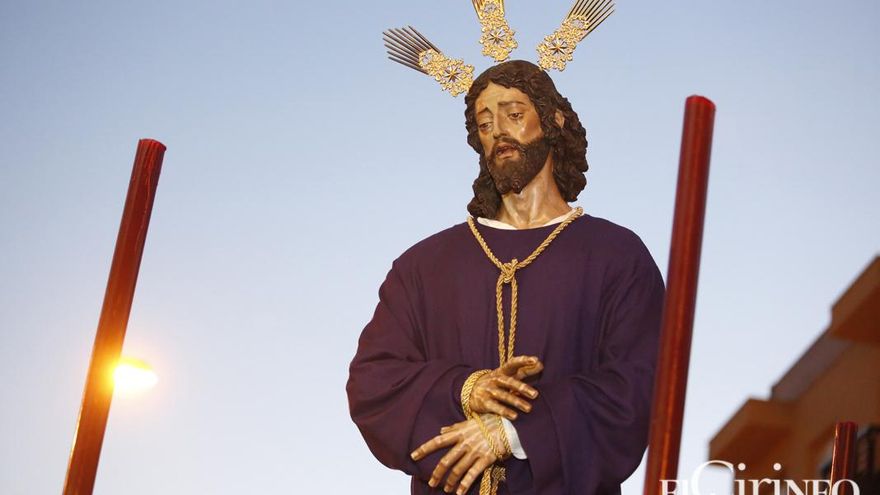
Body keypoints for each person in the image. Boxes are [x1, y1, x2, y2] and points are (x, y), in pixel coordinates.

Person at [346, 60, 665, 495]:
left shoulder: (615, 255)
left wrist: (515, 431)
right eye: (484, 124)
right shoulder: (424, 265)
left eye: (513, 114)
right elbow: (374, 381)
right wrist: (466, 388)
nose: (498, 131)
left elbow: (640, 387)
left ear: (554, 120)